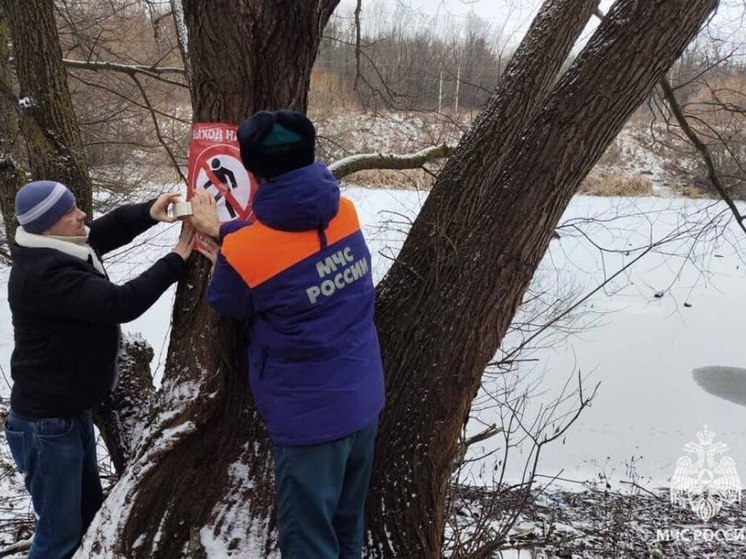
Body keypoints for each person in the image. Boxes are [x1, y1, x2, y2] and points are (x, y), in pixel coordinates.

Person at [190, 110, 385, 558]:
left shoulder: (243, 252)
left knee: (309, 544)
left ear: (252, 171)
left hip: (309, 418)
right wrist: (226, 230)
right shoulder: (345, 213)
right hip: (363, 398)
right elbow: (289, 237)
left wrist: (219, 236)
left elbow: (228, 301)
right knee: (346, 531)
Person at [2, 180, 194, 559]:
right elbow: (119, 303)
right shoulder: (45, 275)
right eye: (70, 212)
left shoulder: (56, 246)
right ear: (47, 226)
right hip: (47, 428)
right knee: (59, 537)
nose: (82, 215)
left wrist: (147, 212)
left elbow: (102, 231)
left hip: (67, 418)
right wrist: (176, 260)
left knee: (89, 519)